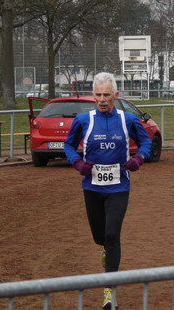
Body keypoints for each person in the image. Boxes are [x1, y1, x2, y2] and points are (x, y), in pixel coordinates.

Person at [64, 72, 152, 310]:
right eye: (98, 95)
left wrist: (139, 158)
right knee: (100, 237)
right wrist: (77, 163)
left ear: (116, 95)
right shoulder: (83, 120)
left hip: (118, 186)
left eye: (106, 95)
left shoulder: (127, 120)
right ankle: (106, 249)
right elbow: (68, 145)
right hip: (92, 186)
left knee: (112, 235)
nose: (102, 99)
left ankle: (109, 290)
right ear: (93, 96)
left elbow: (146, 142)